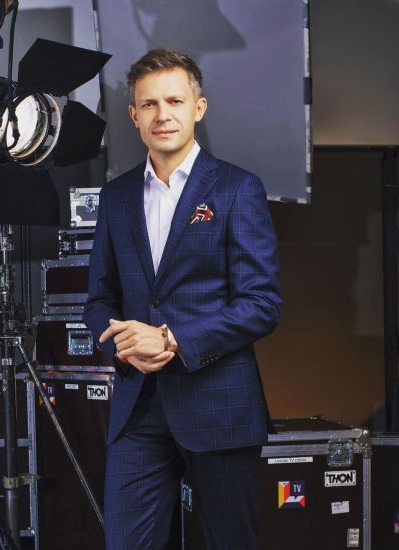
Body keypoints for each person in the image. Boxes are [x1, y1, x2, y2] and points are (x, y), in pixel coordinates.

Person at [83, 48, 281, 550]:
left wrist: (171, 340)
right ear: (134, 115)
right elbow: (98, 300)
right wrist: (124, 343)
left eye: (174, 101)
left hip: (220, 406)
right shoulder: (116, 197)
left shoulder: (237, 189)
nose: (162, 115)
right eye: (149, 104)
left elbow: (261, 303)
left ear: (199, 107)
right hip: (138, 409)